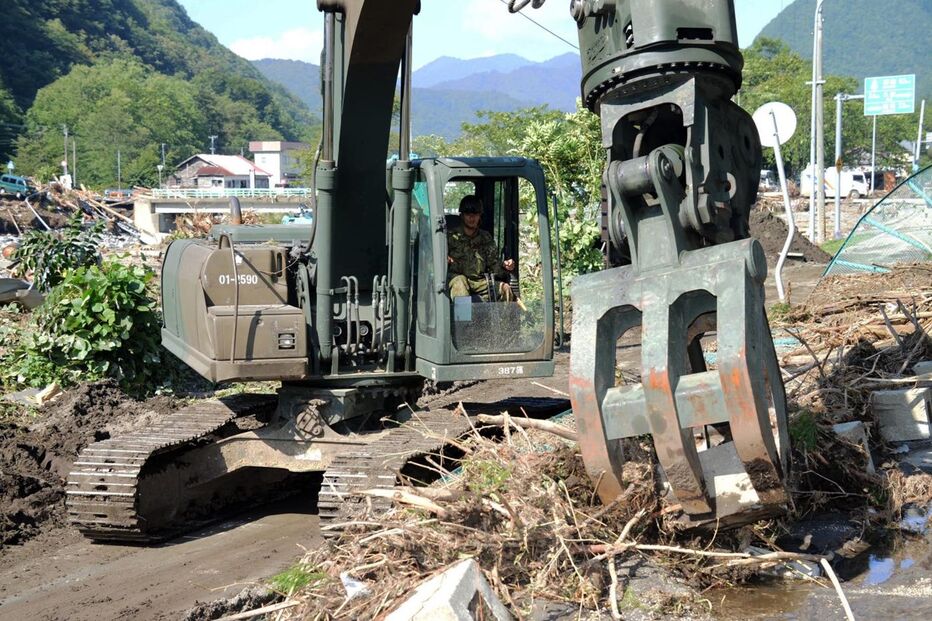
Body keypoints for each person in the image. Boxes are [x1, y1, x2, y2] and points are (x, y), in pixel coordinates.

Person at [447, 195, 515, 302]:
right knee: (460, 283)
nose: (471, 218)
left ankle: (503, 314)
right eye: (468, 214)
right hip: (456, 279)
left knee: (505, 289)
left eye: (475, 214)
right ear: (462, 215)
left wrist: (506, 266)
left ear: (480, 216)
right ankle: (463, 314)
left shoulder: (485, 238)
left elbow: (494, 266)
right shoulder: (450, 237)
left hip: (479, 282)